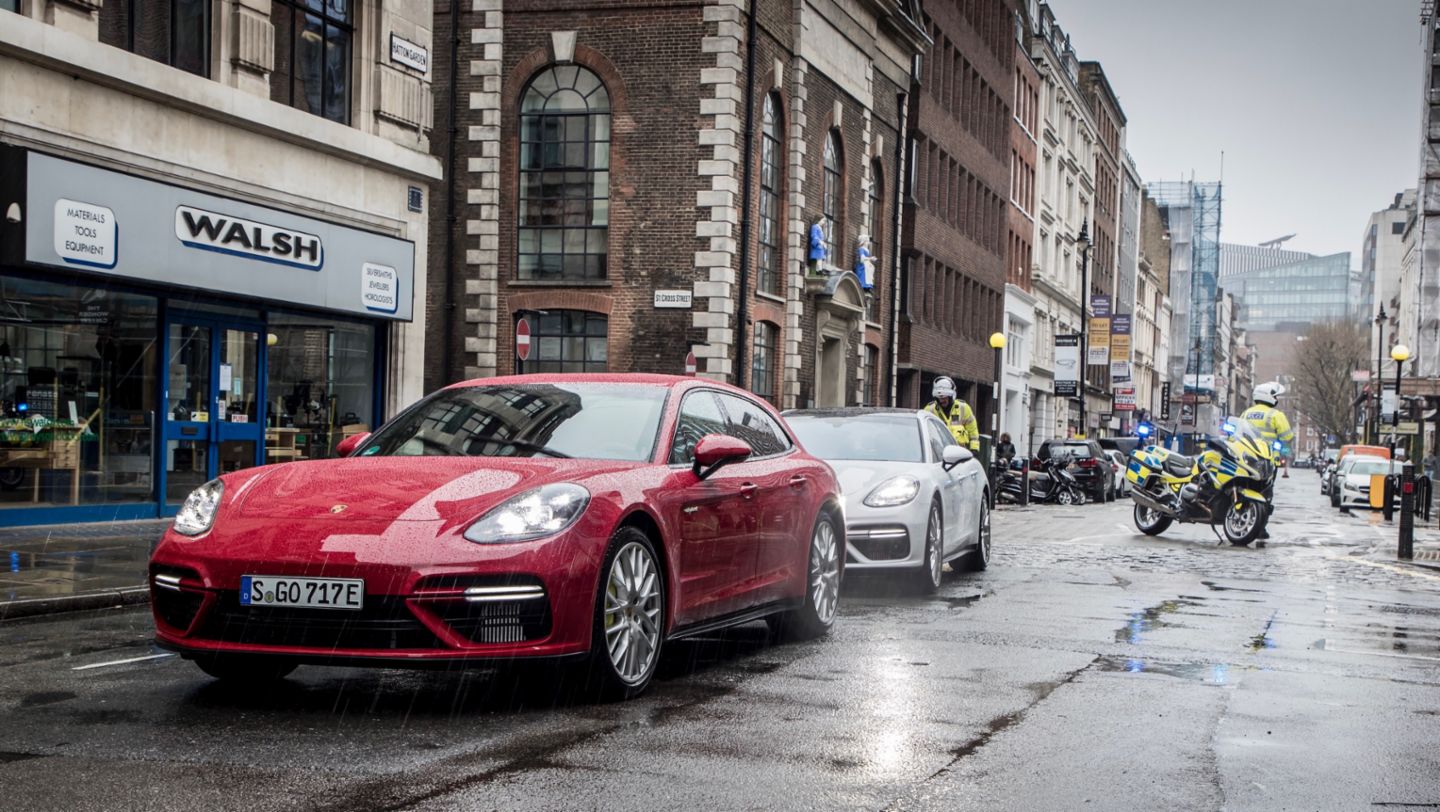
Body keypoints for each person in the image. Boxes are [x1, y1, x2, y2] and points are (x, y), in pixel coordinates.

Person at [1242, 382, 1294, 539]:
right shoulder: (1276, 415)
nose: (1277, 399)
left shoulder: (1246, 413)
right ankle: (1260, 528)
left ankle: (1244, 521)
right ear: (1270, 398)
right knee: (1265, 495)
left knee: (1244, 490)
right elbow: (1288, 437)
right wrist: (1282, 448)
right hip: (1267, 461)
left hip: (1246, 459)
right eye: (1275, 397)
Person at [925, 376, 980, 452]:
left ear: (951, 396)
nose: (941, 401)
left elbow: (973, 431)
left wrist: (974, 449)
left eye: (944, 398)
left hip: (960, 453)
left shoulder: (963, 408)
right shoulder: (930, 409)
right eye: (939, 398)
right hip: (937, 453)